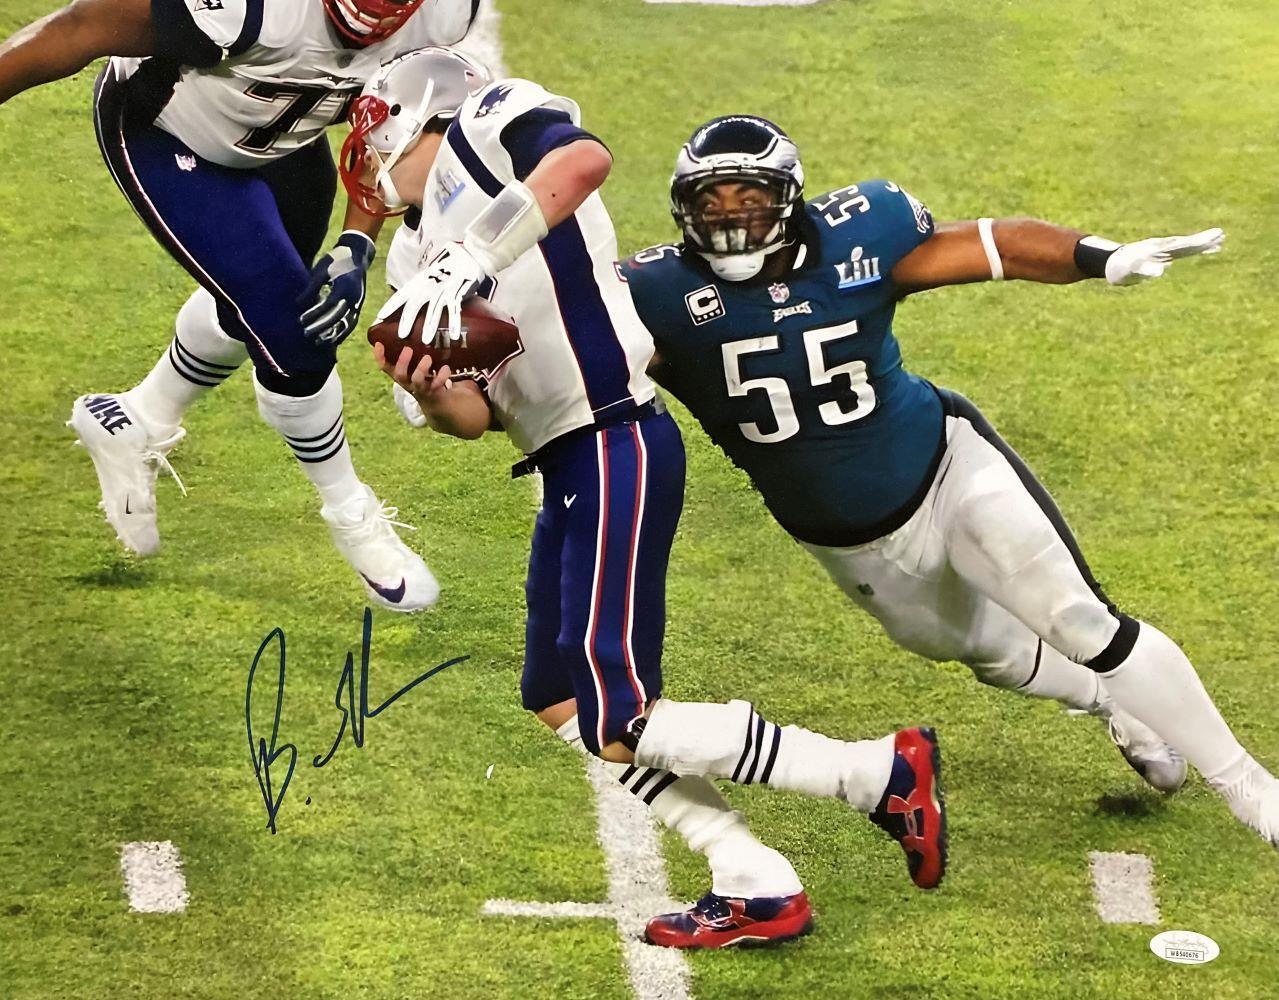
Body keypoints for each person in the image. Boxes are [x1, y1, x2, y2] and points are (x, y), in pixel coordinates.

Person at [359, 48, 949, 950]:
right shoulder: (408, 255)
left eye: (372, 132)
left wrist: (470, 258)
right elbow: (470, 419)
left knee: (622, 716)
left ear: (412, 116)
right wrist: (432, 387)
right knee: (558, 696)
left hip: (614, 436)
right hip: (564, 460)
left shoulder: (484, 125)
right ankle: (750, 875)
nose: (365, 156)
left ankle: (872, 775)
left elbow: (581, 159)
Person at [619, 115, 1278, 862]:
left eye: (750, 198)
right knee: (988, 654)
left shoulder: (856, 236)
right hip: (846, 538)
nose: (731, 219)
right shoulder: (654, 292)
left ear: (789, 198)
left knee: (1078, 618)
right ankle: (1115, 703)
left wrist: (1103, 257)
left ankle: (1249, 787)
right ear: (683, 207)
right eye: (711, 202)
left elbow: (994, 245)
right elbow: (571, 363)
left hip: (945, 466)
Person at [0, 0, 479, 610]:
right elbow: (80, 28)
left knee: (255, 306)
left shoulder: (442, 13)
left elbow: (391, 124)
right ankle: (351, 513)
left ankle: (136, 418)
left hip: (287, 142)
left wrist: (357, 242)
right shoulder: (254, 8)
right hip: (168, 136)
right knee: (293, 335)